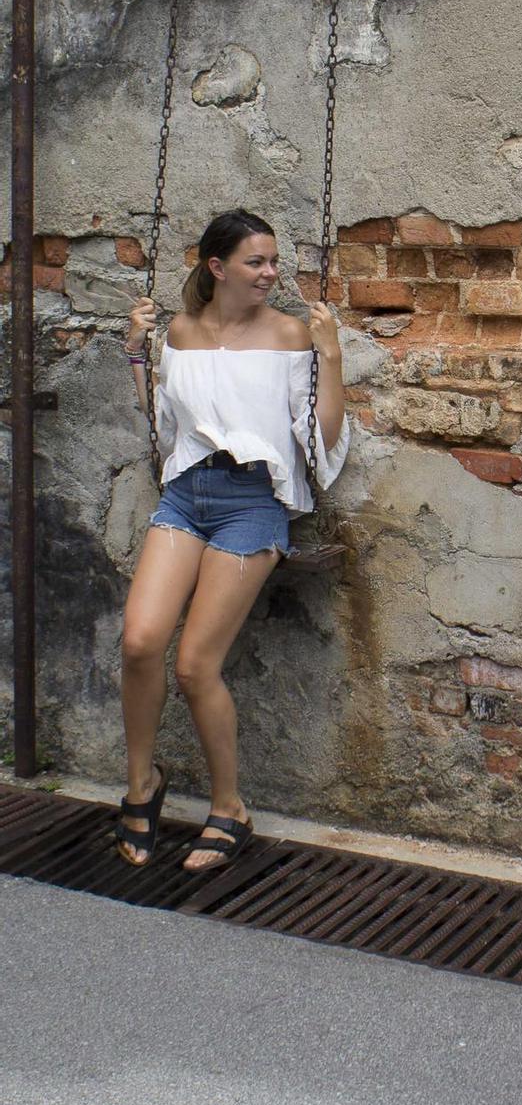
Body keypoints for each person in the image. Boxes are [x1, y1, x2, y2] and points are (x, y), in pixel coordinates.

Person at [115, 209, 349, 872]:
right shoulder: (182, 332)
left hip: (252, 504)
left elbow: (323, 436)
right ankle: (141, 785)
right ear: (217, 268)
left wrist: (329, 355)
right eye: (257, 261)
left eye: (274, 260)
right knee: (139, 641)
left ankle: (229, 807)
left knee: (194, 665)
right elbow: (163, 422)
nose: (272, 273)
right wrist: (139, 351)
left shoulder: (288, 334)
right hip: (188, 496)